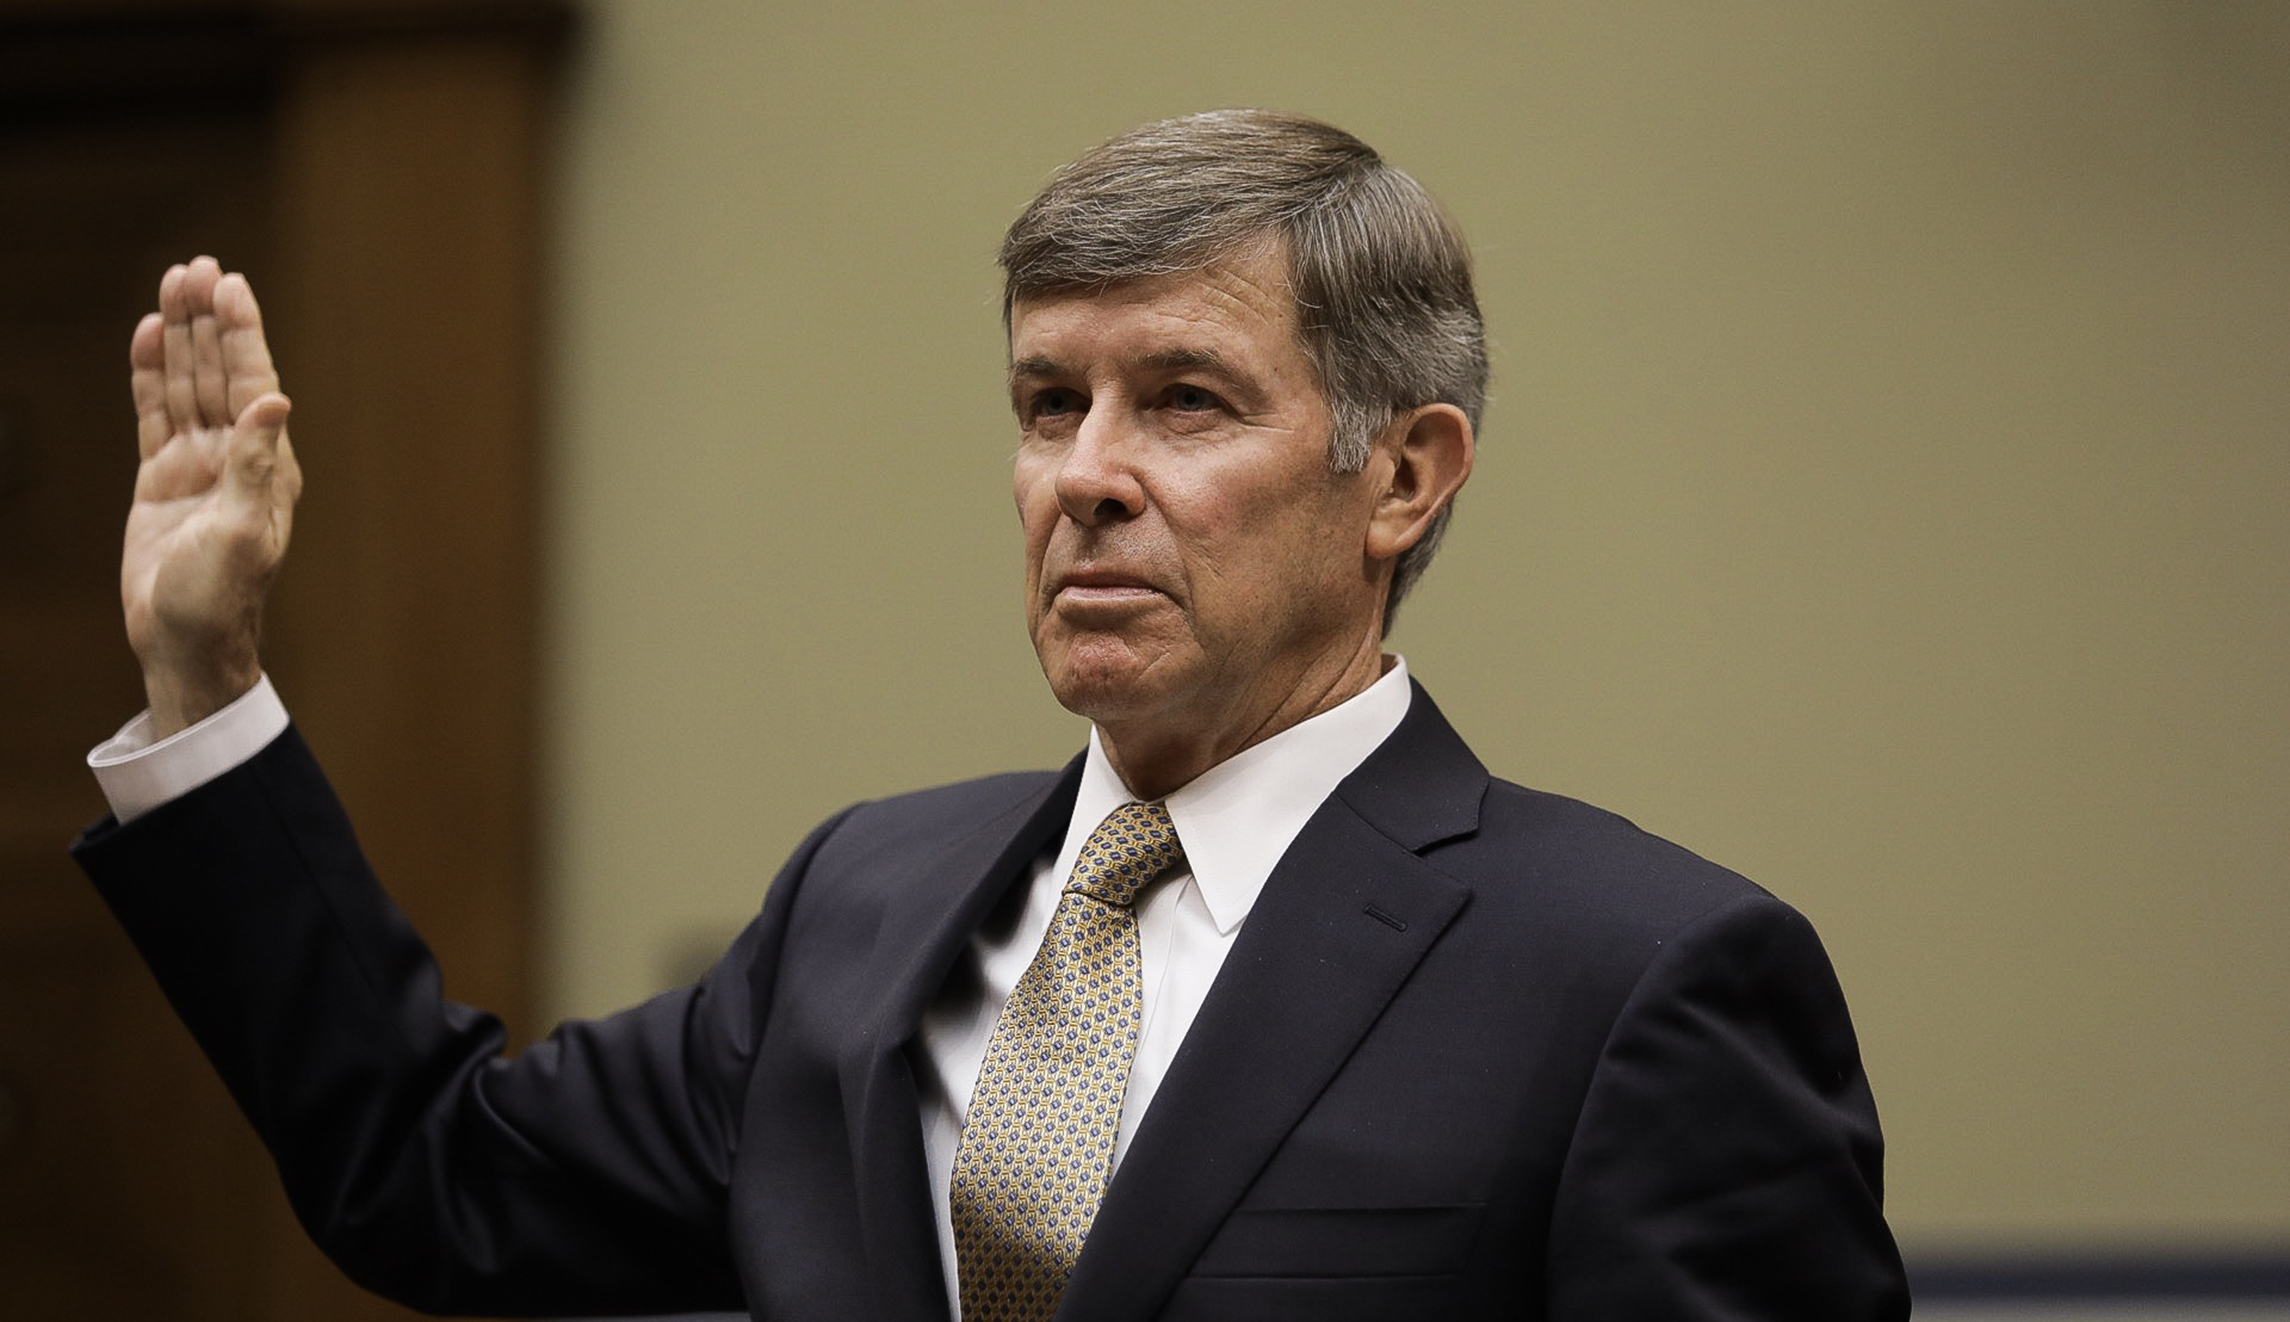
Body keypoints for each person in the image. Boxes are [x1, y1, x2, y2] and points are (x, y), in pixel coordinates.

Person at [75, 110, 1909, 1320]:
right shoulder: (863, 901)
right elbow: (437, 1176)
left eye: (1183, 401)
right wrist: (205, 684)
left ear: (1404, 475)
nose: (1083, 477)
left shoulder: (1636, 977)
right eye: (1047, 403)